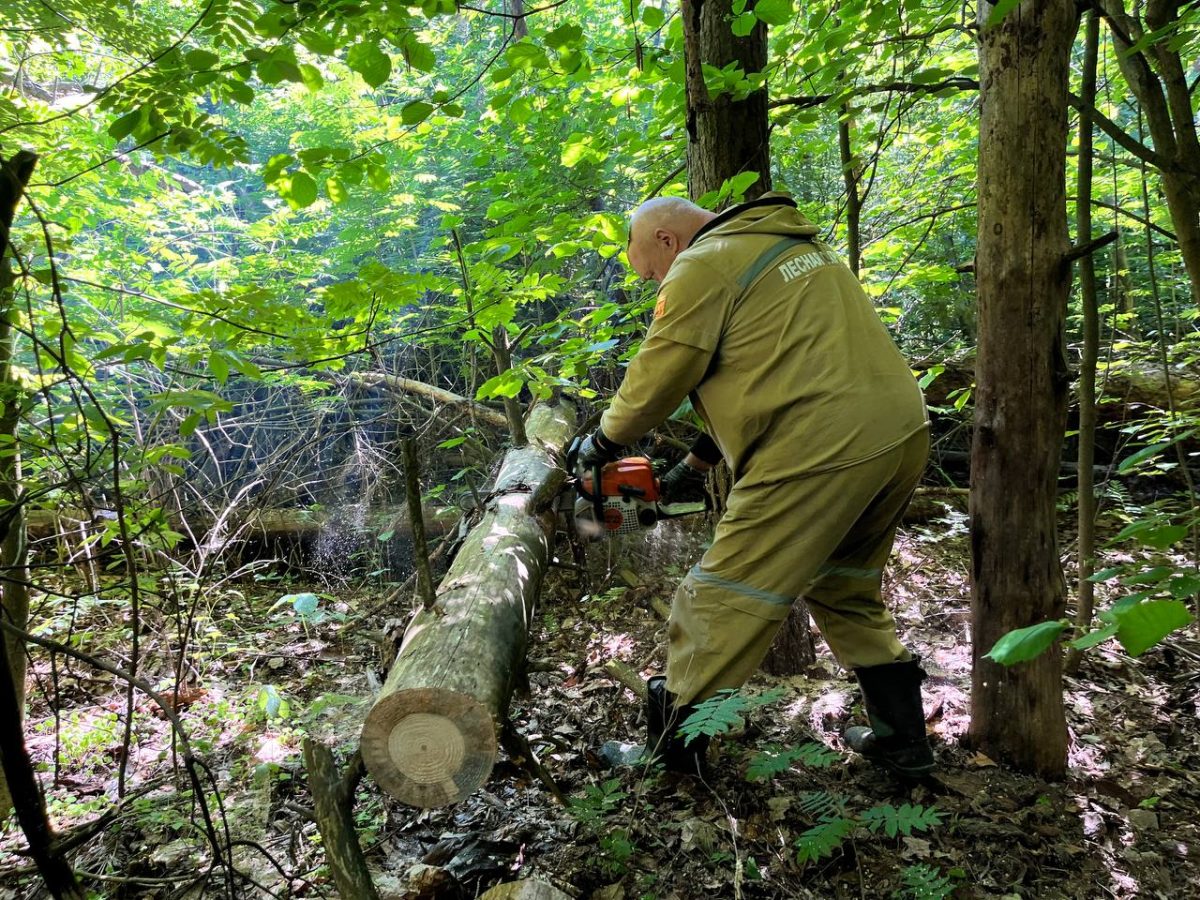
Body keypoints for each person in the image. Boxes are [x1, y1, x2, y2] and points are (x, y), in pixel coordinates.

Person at [576, 193, 934, 778]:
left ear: (666, 241)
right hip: (896, 432)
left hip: (822, 442)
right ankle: (903, 741)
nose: (654, 281)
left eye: (650, 269)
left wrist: (604, 443)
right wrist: (694, 465)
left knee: (718, 593)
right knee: (843, 583)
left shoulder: (703, 262)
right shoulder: (791, 248)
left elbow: (661, 371)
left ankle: (670, 755)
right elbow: (778, 372)